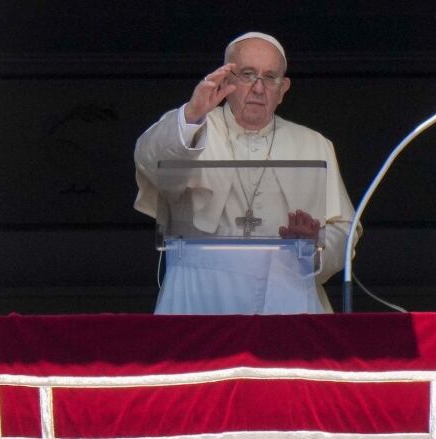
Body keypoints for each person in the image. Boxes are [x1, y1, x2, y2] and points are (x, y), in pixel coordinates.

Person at [134, 32, 359, 314]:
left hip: (286, 296)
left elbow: (344, 231)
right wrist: (192, 114)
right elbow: (148, 161)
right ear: (227, 80)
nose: (258, 87)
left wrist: (315, 244)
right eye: (247, 74)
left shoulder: (314, 144)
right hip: (202, 294)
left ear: (283, 88)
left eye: (270, 77)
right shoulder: (191, 128)